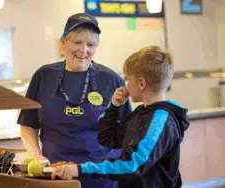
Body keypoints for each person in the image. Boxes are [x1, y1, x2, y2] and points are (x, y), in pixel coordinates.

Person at [17, 12, 132, 188]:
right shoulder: (43, 76)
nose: (84, 50)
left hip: (100, 178)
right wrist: (37, 157)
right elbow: (27, 124)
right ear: (63, 43)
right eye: (77, 42)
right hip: (55, 177)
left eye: (90, 44)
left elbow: (128, 132)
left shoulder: (111, 79)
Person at [51, 46, 190, 188]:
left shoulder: (160, 120)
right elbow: (107, 138)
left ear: (141, 83)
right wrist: (113, 107)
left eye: (128, 80)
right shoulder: (141, 113)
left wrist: (80, 169)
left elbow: (132, 165)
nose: (126, 85)